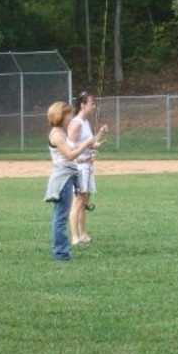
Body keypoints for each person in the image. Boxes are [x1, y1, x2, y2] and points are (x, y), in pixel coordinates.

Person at [44, 101, 99, 261]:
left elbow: (68, 157)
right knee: (60, 218)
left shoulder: (61, 133)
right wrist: (87, 144)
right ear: (61, 116)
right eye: (68, 114)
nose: (70, 117)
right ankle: (61, 253)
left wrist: (84, 159)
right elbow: (69, 155)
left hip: (68, 175)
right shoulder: (56, 135)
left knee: (61, 215)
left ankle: (62, 251)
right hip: (62, 180)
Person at [68, 92, 108, 246]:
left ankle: (84, 235)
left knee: (84, 203)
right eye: (92, 103)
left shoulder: (85, 123)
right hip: (79, 167)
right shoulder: (76, 123)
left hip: (89, 165)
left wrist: (99, 134)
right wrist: (87, 151)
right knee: (78, 201)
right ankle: (75, 237)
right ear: (82, 105)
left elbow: (88, 143)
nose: (94, 106)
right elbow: (71, 146)